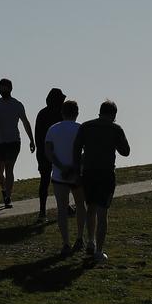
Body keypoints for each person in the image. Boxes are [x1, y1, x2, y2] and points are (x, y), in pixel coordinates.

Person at [72, 100, 130, 263]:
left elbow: (76, 148)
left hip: (88, 172)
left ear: (100, 112)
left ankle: (90, 240)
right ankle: (99, 250)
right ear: (113, 115)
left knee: (90, 207)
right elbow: (125, 151)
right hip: (106, 174)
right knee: (103, 212)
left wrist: (77, 171)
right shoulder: (115, 129)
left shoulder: (86, 126)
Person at [44, 99, 85, 257]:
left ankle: (66, 242)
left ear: (62, 112)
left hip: (59, 175)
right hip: (77, 175)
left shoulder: (53, 129)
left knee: (62, 208)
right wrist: (75, 166)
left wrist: (61, 167)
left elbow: (48, 152)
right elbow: (86, 151)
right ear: (77, 113)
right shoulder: (81, 129)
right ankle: (80, 238)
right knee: (81, 205)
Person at [0, 78, 34, 208]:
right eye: (1, 88)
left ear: (10, 89)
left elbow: (25, 121)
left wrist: (31, 139)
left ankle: (8, 197)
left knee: (9, 168)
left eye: (5, 88)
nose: (3, 90)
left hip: (13, 141)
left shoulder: (17, 104)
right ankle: (4, 189)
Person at [33, 88, 67, 221]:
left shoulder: (42, 113)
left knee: (45, 181)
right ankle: (63, 206)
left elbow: (38, 136)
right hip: (56, 152)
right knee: (62, 180)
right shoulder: (60, 114)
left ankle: (43, 211)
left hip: (43, 152)